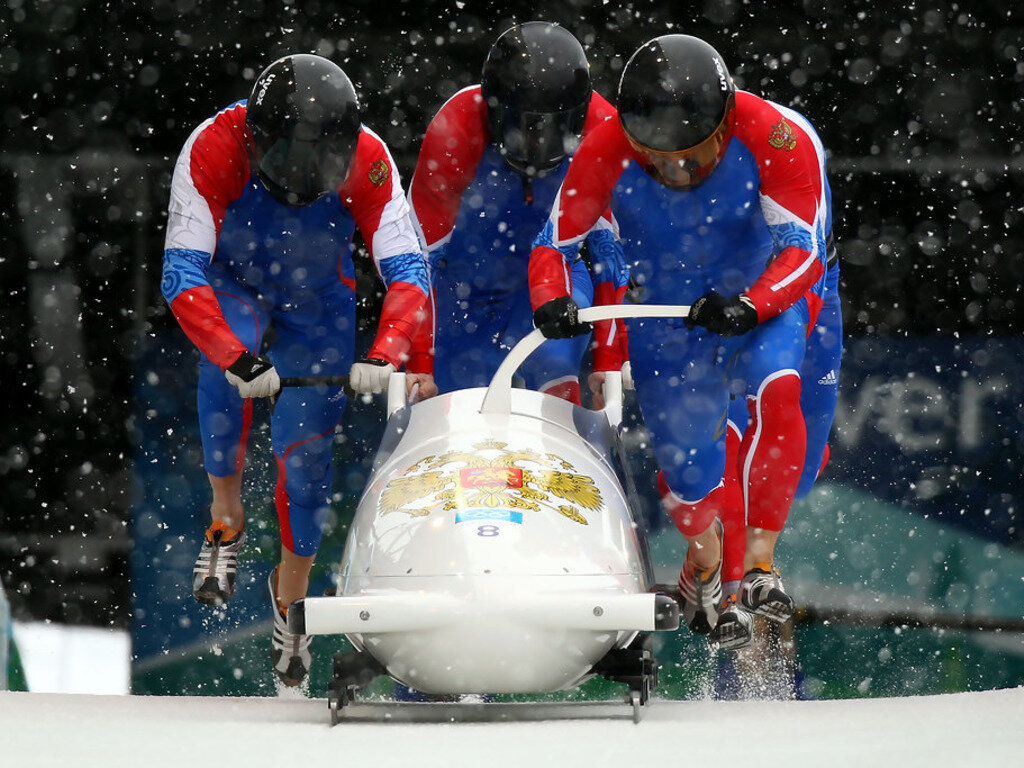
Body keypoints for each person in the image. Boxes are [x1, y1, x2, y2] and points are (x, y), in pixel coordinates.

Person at [529, 35, 830, 635]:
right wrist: (552, 299)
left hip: (758, 293)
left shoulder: (777, 137)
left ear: (724, 127)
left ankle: (761, 569)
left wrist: (753, 304)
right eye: (657, 158)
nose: (676, 170)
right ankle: (705, 555)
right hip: (668, 315)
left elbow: (803, 251)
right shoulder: (603, 148)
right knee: (690, 482)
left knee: (777, 388)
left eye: (692, 156)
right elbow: (553, 245)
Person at [161, 53, 430, 686]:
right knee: (219, 373)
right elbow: (181, 274)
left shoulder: (370, 160)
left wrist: (387, 349)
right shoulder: (211, 148)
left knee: (305, 455)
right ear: (256, 140)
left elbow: (409, 271)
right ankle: (226, 516)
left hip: (319, 303)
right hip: (234, 284)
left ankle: (291, 596)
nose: (306, 175)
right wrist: (235, 356)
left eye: (323, 162)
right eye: (290, 159)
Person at [408, 21, 625, 402]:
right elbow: (419, 260)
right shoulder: (455, 130)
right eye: (522, 126)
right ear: (493, 113)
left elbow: (612, 255)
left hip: (554, 286)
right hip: (465, 292)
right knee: (457, 405)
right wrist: (420, 367)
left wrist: (608, 361)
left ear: (579, 114)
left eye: (556, 127)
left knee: (556, 374)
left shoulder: (603, 129)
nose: (538, 143)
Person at [712, 233, 842, 649]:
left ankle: (733, 569)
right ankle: (739, 586)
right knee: (733, 450)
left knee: (801, 474)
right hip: (729, 283)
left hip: (810, 279)